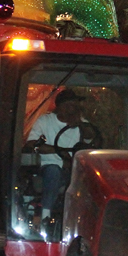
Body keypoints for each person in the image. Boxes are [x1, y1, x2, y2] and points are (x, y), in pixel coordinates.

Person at [24, 90, 88, 231]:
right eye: (71, 105)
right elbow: (32, 143)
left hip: (72, 170)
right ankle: (45, 217)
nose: (75, 108)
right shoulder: (45, 121)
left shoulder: (83, 125)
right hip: (47, 168)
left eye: (76, 105)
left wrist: (81, 125)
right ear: (61, 107)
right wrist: (60, 151)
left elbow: (91, 140)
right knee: (53, 170)